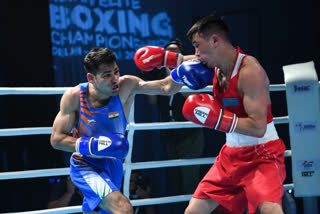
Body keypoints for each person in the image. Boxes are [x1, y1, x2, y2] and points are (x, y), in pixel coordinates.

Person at [50, 47, 194, 213]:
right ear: (91, 78)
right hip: (86, 166)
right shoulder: (75, 97)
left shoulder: (127, 85)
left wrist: (183, 65)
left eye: (116, 71)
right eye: (107, 75)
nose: (115, 79)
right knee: (123, 208)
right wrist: (92, 145)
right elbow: (56, 139)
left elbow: (167, 88)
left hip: (114, 164)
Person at [172, 14, 286, 214]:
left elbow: (259, 127)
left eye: (198, 46)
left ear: (215, 40)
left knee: (270, 210)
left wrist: (218, 120)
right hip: (231, 154)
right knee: (193, 211)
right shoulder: (213, 64)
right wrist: (166, 61)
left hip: (262, 153)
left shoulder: (250, 71)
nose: (196, 53)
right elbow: (170, 81)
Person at [140, 39, 205, 198]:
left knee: (190, 181)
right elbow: (152, 102)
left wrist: (176, 71)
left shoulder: (191, 70)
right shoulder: (159, 74)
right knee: (176, 182)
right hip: (170, 135)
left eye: (176, 52)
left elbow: (188, 95)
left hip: (190, 135)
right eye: (169, 53)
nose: (172, 55)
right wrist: (145, 74)